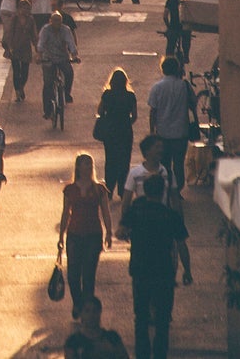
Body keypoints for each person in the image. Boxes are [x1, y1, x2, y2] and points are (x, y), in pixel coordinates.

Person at [124, 174, 192, 359]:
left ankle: (142, 354)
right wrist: (187, 270)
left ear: (145, 191)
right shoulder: (170, 216)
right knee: (162, 320)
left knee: (141, 318)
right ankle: (160, 354)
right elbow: (182, 244)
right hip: (164, 271)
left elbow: (121, 231)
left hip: (140, 270)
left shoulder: (136, 212)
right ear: (163, 192)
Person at [59, 153, 115, 320]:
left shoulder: (99, 189)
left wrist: (109, 232)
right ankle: (78, 302)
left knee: (89, 274)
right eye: (85, 164)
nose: (88, 167)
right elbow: (65, 213)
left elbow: (105, 212)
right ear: (78, 167)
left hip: (93, 234)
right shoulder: (70, 189)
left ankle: (86, 309)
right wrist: (61, 236)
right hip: (74, 234)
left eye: (90, 164)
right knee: (73, 275)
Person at [146, 57, 196, 196]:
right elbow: (193, 103)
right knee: (179, 163)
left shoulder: (157, 87)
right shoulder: (184, 86)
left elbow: (153, 111)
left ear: (163, 69)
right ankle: (177, 189)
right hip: (181, 131)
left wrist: (152, 130)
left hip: (163, 132)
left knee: (164, 164)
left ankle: (166, 190)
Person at [95, 68, 138, 192]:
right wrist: (127, 123)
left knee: (110, 159)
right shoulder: (130, 96)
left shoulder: (107, 94)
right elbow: (134, 116)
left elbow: (100, 111)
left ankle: (109, 188)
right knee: (124, 160)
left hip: (110, 131)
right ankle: (122, 188)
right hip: (125, 131)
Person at [38, 10, 80, 118]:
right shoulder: (45, 30)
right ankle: (47, 110)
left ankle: (66, 94)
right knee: (48, 83)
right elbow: (41, 44)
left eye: (59, 21)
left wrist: (74, 55)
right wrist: (39, 56)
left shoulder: (66, 30)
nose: (57, 23)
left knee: (69, 73)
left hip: (62, 58)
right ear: (50, 21)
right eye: (55, 21)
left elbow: (71, 43)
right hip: (48, 58)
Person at [64, 297, 131, 359]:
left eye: (95, 311)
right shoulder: (73, 342)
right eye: (87, 311)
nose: (91, 315)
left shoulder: (112, 338)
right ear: (81, 314)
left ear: (99, 313)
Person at [4, 0, 38, 104]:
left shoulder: (30, 20)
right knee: (16, 71)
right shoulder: (14, 19)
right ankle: (17, 92)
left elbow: (33, 34)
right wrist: (9, 46)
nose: (26, 11)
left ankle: (21, 87)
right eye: (24, 8)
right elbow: (9, 32)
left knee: (25, 71)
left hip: (25, 48)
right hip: (15, 47)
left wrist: (36, 46)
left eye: (28, 9)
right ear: (19, 9)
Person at [123, 134, 168, 201]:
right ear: (147, 151)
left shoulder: (168, 173)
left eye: (161, 147)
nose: (161, 150)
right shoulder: (134, 173)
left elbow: (175, 201)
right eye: (157, 147)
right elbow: (126, 201)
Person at [162, 0, 191, 67]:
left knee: (170, 46)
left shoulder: (170, 1)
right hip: (185, 27)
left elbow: (165, 16)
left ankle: (168, 60)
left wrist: (168, 26)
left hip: (173, 27)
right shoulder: (189, 1)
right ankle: (186, 56)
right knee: (186, 40)